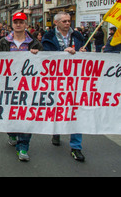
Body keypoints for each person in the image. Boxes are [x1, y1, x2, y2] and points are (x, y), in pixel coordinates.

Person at [0, 12, 43, 162]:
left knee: (26, 114)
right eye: (16, 22)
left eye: (21, 22)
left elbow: (46, 63)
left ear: (26, 24)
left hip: (28, 85)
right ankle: (12, 132)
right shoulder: (4, 42)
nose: (18, 24)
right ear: (12, 24)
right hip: (8, 85)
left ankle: (23, 146)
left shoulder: (34, 43)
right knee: (10, 113)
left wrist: (37, 55)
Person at [41, 11, 86, 162]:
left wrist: (84, 52)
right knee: (57, 108)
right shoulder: (48, 37)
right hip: (56, 79)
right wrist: (62, 53)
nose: (68, 23)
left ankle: (76, 147)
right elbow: (46, 55)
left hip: (75, 79)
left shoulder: (78, 36)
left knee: (76, 111)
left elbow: (87, 53)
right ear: (56, 23)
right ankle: (57, 131)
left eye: (69, 21)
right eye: (64, 21)